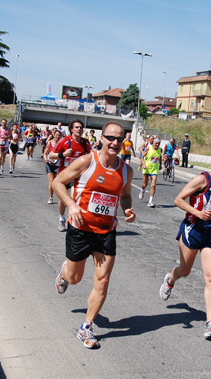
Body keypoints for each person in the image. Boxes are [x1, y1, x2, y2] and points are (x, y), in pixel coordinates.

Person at [53, 121, 135, 349]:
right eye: (111, 138)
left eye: (119, 139)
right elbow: (59, 182)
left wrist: (127, 209)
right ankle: (65, 271)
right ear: (102, 138)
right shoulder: (87, 161)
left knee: (103, 281)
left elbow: (125, 196)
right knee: (74, 279)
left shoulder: (127, 170)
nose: (115, 143)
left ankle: (86, 327)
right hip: (80, 228)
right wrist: (71, 205)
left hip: (107, 232)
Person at [159, 149, 211, 339]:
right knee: (184, 271)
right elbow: (178, 200)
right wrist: (197, 213)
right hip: (192, 230)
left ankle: (210, 323)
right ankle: (170, 280)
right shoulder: (202, 180)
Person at [47, 119, 91, 231]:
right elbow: (51, 155)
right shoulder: (65, 141)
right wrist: (63, 154)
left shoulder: (86, 143)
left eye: (81, 127)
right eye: (76, 127)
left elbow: (89, 158)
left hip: (79, 176)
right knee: (64, 199)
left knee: (77, 198)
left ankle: (75, 221)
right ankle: (62, 218)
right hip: (65, 174)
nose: (79, 129)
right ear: (71, 129)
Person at [139, 136, 162, 207]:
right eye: (156, 143)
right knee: (144, 184)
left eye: (159, 143)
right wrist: (144, 164)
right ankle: (142, 190)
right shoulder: (148, 148)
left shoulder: (160, 150)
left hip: (154, 169)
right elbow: (142, 157)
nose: (157, 145)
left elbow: (160, 157)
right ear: (154, 142)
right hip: (147, 168)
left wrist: (160, 164)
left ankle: (150, 201)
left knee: (153, 184)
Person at [44, 129, 62, 204]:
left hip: (58, 165)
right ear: (54, 135)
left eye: (59, 135)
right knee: (51, 182)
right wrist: (45, 158)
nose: (57, 137)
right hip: (50, 164)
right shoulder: (49, 143)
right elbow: (45, 153)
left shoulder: (62, 144)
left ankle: (60, 197)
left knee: (56, 182)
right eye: (56, 135)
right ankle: (51, 198)